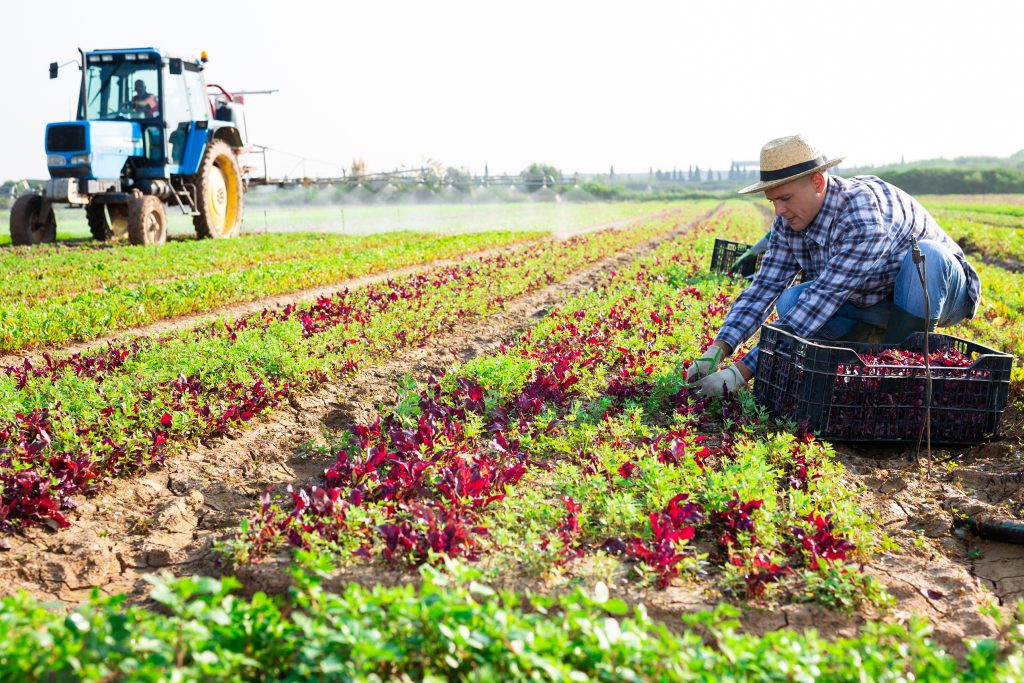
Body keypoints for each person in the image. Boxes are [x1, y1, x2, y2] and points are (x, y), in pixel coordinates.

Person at [687, 134, 980, 398]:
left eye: (785, 198)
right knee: (790, 300)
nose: (779, 210)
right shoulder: (788, 224)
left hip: (940, 293)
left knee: (926, 257)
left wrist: (739, 373)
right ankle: (875, 343)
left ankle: (900, 373)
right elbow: (764, 288)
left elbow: (821, 302)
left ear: (817, 181)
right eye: (773, 200)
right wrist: (719, 348)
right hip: (875, 298)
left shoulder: (862, 215)